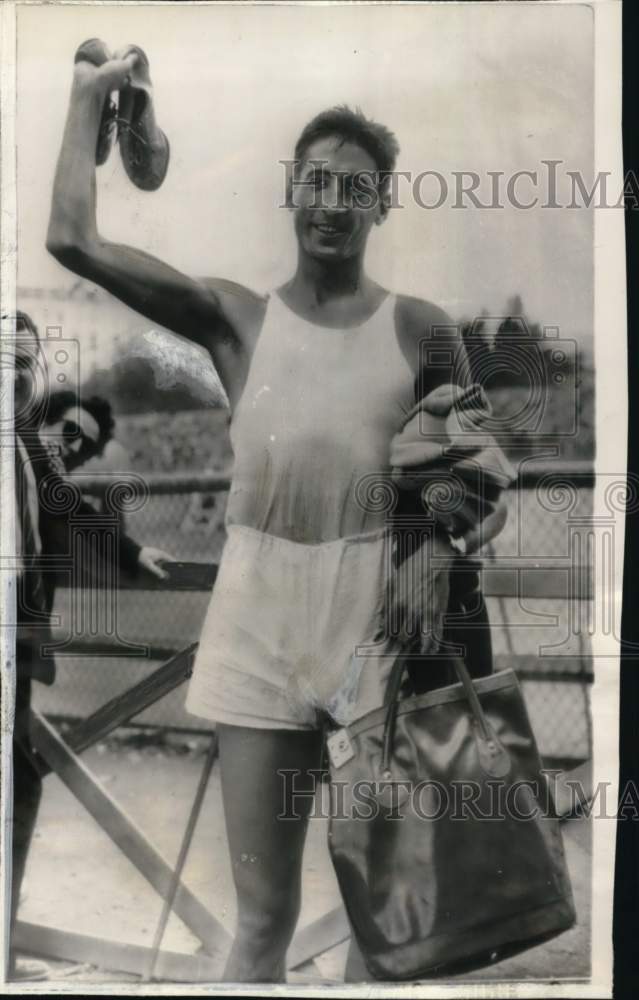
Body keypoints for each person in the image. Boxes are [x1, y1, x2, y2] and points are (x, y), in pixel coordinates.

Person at [47, 42, 509, 983]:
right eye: (316, 181)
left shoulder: (420, 328)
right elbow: (74, 242)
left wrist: (433, 551)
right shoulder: (235, 319)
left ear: (382, 204)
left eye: (355, 187)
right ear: (289, 190)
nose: (332, 203)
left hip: (373, 624)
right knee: (261, 921)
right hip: (256, 613)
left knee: (390, 926)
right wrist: (89, 97)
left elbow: (476, 476)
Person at [40, 388, 172, 580]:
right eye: (71, 431)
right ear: (44, 423)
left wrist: (136, 553)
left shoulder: (50, 484)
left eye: (86, 446)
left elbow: (80, 515)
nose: (75, 447)